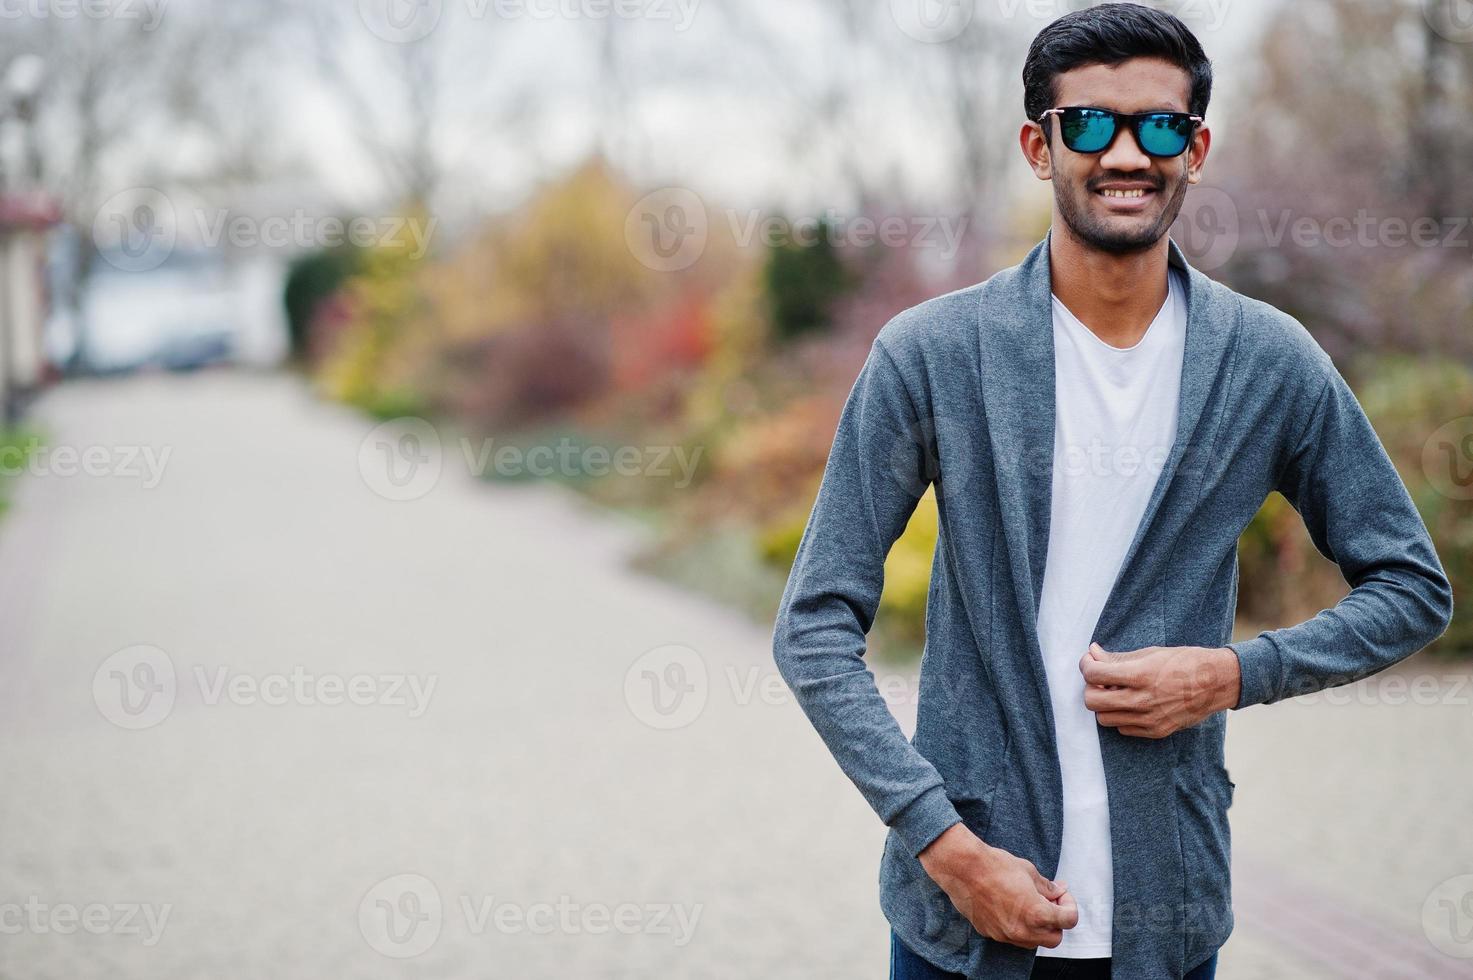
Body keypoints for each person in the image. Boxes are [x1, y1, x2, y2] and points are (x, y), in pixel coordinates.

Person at [770, 4, 1454, 978]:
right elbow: (813, 623)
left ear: (1197, 147)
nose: (1126, 152)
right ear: (1038, 146)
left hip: (1165, 917)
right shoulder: (931, 355)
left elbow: (1412, 587)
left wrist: (1232, 673)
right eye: (1090, 123)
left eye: (1159, 126)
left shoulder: (1267, 361)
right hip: (964, 918)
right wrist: (944, 846)